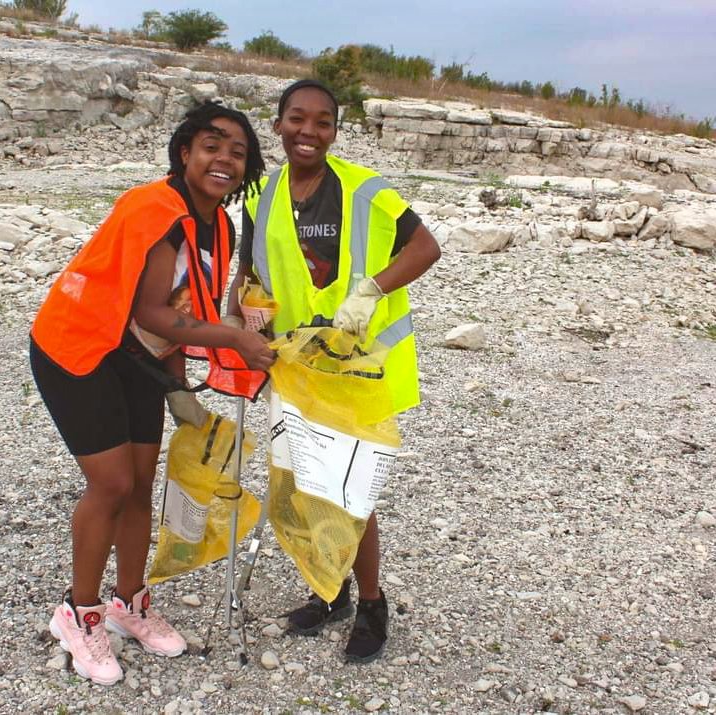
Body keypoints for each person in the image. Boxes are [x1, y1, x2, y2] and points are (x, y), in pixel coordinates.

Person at [30, 102, 275, 686]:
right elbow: (151, 311)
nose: (225, 159)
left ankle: (129, 603)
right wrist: (235, 338)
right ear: (185, 151)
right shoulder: (153, 207)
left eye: (238, 152)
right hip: (79, 348)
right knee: (111, 483)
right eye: (212, 145)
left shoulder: (219, 223)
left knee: (142, 481)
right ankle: (78, 612)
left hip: (139, 359)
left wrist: (176, 387)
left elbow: (189, 305)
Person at [227, 79, 441, 663]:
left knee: (350, 491)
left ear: (335, 132)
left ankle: (371, 601)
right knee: (305, 482)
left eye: (323, 122)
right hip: (296, 367)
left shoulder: (365, 190)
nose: (309, 132)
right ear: (277, 125)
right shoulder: (261, 195)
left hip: (357, 367)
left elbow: (426, 248)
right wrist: (246, 322)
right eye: (298, 119)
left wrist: (372, 288)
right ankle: (332, 590)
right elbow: (250, 277)